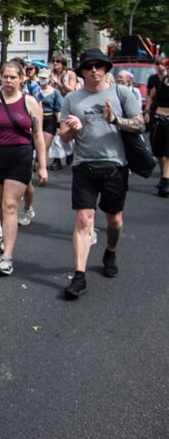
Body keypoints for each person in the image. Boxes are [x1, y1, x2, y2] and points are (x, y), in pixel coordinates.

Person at [59, 49, 144, 297]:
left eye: (98, 65)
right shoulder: (72, 99)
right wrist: (73, 129)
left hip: (115, 166)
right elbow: (64, 137)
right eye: (88, 66)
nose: (94, 70)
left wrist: (116, 120)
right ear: (81, 71)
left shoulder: (122, 93)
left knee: (114, 220)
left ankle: (110, 250)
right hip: (84, 165)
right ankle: (79, 276)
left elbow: (140, 124)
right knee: (84, 220)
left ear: (106, 68)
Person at [0, 61, 47, 276]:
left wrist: (43, 166)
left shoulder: (29, 102)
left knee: (10, 205)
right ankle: (6, 236)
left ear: (21, 79)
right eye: (5, 77)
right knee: (0, 202)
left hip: (20, 155)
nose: (8, 81)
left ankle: (7, 256)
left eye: (13, 77)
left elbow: (38, 136)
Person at [147, 58, 169, 197]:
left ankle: (166, 182)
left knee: (168, 152)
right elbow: (150, 96)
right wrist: (147, 111)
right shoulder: (159, 81)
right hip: (159, 118)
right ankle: (164, 175)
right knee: (158, 152)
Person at [38, 69, 65, 171]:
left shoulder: (55, 92)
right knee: (38, 145)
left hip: (50, 119)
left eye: (44, 78)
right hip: (38, 119)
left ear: (49, 78)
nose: (42, 80)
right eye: (41, 78)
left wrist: (59, 125)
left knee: (45, 146)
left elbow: (58, 110)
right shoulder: (36, 90)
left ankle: (43, 168)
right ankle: (40, 164)